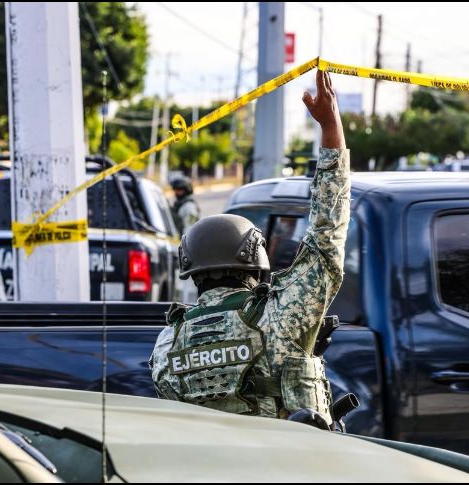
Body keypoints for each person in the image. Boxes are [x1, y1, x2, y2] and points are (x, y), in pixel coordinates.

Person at [149, 70, 350, 428]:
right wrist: (331, 128)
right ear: (255, 262)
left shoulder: (167, 344)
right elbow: (326, 237)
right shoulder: (282, 315)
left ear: (192, 270)